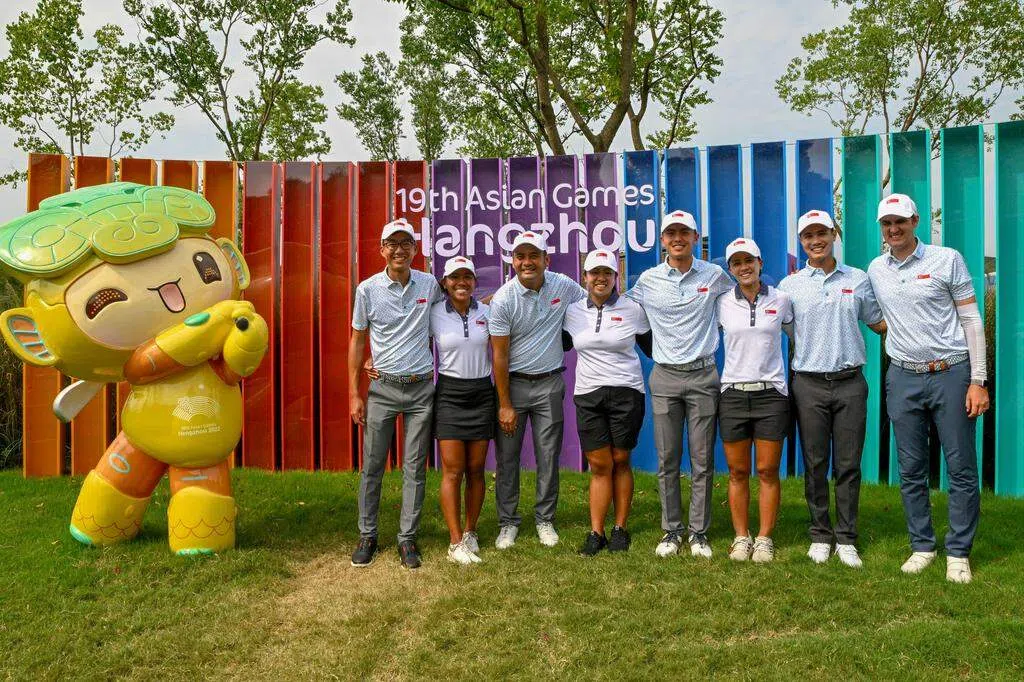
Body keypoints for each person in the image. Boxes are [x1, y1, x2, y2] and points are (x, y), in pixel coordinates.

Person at [868, 193, 989, 584]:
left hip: (951, 373)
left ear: (915, 221)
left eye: (900, 221)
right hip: (902, 376)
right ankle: (922, 546)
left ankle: (958, 551)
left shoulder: (946, 259)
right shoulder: (876, 269)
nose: (894, 229)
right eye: (887, 223)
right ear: (881, 227)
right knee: (911, 469)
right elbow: (876, 315)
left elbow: (971, 320)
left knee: (961, 467)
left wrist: (978, 380)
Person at [779, 210, 886, 568]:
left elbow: (878, 323)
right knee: (815, 463)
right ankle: (820, 535)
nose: (816, 241)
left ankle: (847, 537)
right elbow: (786, 330)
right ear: (801, 241)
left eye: (821, 233)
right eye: (808, 236)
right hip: (808, 384)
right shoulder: (789, 286)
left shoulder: (857, 279)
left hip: (850, 383)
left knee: (849, 464)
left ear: (833, 234)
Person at [626, 210, 733, 559]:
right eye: (671, 233)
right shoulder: (648, 281)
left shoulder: (715, 276)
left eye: (684, 232)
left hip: (703, 375)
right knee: (667, 458)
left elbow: (743, 297)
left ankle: (698, 532)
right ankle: (672, 530)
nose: (677, 238)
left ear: (695, 238)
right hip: (665, 376)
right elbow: (619, 307)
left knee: (702, 460)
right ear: (662, 240)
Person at [348, 217, 440, 569]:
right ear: (382, 249)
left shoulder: (429, 284)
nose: (399, 250)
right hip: (382, 388)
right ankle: (367, 535)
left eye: (406, 244)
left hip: (420, 389)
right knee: (372, 466)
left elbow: (461, 305)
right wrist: (354, 394)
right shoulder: (367, 290)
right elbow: (357, 340)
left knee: (414, 467)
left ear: (415, 249)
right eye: (393, 244)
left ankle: (407, 539)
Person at [488, 231, 586, 549]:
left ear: (547, 260)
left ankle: (545, 519)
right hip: (513, 386)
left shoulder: (563, 286)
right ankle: (508, 522)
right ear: (513, 261)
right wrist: (504, 403)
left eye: (534, 256)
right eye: (520, 256)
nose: (527, 262)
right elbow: (499, 355)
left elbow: (590, 304)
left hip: (549, 384)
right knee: (508, 458)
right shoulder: (504, 299)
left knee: (548, 456)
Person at [562, 250, 651, 556]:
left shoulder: (633, 310)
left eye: (607, 273)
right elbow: (559, 342)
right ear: (585, 277)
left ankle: (620, 528)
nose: (600, 278)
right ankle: (596, 532)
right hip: (588, 394)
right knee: (600, 464)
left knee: (621, 459)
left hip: (627, 392)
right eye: (594, 273)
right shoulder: (572, 312)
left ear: (616, 277)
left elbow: (651, 347)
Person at [717, 237, 793, 563]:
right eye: (736, 263)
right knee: (737, 471)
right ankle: (741, 536)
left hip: (771, 394)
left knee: (767, 470)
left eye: (749, 261)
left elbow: (798, 335)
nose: (744, 267)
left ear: (760, 263)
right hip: (733, 394)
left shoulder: (782, 299)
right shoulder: (721, 302)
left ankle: (763, 538)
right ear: (730, 269)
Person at [431, 256, 493, 565]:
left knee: (476, 469)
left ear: (474, 282)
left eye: (467, 277)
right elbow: (405, 335)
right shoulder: (433, 313)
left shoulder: (487, 312)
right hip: (450, 395)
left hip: (482, 393)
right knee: (453, 470)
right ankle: (455, 542)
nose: (461, 282)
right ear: (445, 283)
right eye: (455, 277)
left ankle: (470, 531)